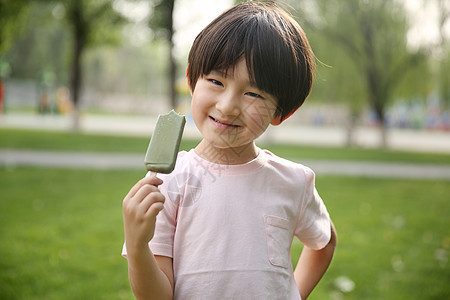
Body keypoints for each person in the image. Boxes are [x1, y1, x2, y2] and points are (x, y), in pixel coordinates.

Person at [122, 2, 337, 299]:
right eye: (216, 81)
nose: (227, 106)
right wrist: (137, 246)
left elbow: (324, 242)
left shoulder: (295, 182)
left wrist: (293, 294)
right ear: (191, 81)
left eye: (253, 93)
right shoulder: (168, 184)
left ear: (281, 112)